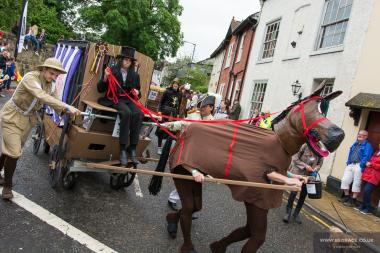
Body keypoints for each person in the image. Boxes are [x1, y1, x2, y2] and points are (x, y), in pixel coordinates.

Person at [0, 58, 81, 199]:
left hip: (28, 120)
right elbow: (41, 95)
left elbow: (57, 103)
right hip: (12, 116)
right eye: (51, 73)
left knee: (10, 150)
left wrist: (66, 112)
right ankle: (7, 187)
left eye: (56, 75)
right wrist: (68, 107)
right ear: (43, 69)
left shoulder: (52, 85)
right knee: (14, 152)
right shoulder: (30, 78)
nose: (54, 77)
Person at [165, 96, 215, 212]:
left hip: (201, 155)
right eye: (201, 106)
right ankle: (178, 202)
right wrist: (170, 125)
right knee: (187, 179)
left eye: (205, 106)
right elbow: (182, 123)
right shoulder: (193, 116)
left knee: (192, 181)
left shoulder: (214, 122)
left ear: (211, 108)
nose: (201, 108)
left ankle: (187, 206)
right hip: (188, 151)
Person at [97, 46, 143, 167]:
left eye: (129, 60)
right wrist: (105, 77)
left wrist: (137, 92)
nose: (127, 61)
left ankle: (132, 148)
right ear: (121, 60)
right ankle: (122, 148)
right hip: (114, 98)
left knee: (139, 113)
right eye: (125, 59)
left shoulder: (135, 75)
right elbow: (100, 89)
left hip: (128, 99)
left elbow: (139, 92)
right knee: (126, 113)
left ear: (132, 62)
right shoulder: (111, 70)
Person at [283, 143, 323, 223]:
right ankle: (288, 212)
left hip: (309, 176)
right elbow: (295, 158)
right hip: (298, 172)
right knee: (293, 193)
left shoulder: (320, 149)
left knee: (303, 195)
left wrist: (315, 169)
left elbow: (320, 164)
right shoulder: (304, 145)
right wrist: (305, 166)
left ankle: (296, 214)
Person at [339, 130, 373, 207]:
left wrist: (361, 165)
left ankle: (353, 200)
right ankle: (347, 196)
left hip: (359, 165)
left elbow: (366, 156)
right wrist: (348, 162)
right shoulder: (355, 143)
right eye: (359, 134)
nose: (360, 135)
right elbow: (350, 153)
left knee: (356, 183)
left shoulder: (368, 146)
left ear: (366, 137)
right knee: (345, 180)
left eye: (362, 135)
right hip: (351, 164)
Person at [156, 78, 180, 155]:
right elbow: (161, 102)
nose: (175, 85)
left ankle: (167, 149)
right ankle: (159, 147)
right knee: (161, 129)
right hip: (165, 112)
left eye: (177, 84)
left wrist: (178, 114)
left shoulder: (179, 94)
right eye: (174, 83)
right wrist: (159, 111)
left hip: (174, 114)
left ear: (178, 86)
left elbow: (178, 105)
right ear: (172, 84)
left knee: (171, 131)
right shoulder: (167, 91)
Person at [355, 142, 380, 214]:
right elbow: (371, 160)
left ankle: (367, 208)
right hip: (368, 174)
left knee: (367, 191)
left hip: (375, 176)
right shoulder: (377, 152)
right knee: (365, 191)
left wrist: (371, 164)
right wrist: (367, 162)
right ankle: (362, 206)